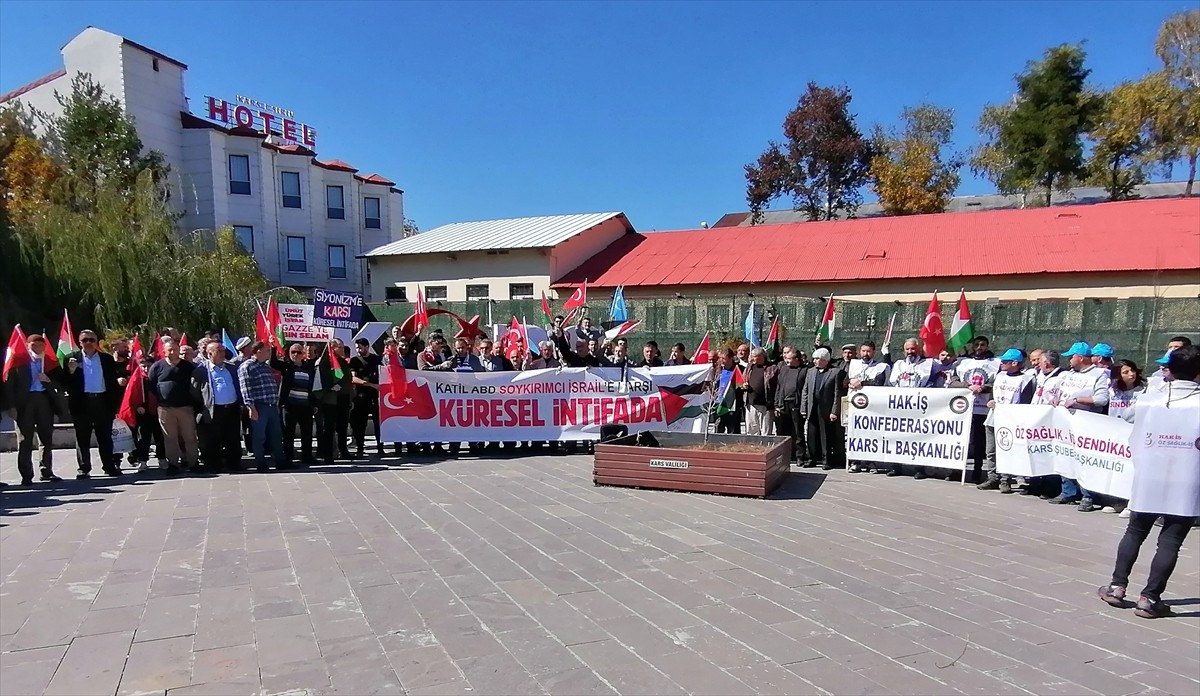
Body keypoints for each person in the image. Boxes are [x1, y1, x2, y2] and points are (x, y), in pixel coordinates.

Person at [1097, 345, 1199, 619]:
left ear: (1170, 369)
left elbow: (1135, 437)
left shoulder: (1149, 399)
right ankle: (1150, 597)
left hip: (1149, 474)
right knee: (1171, 540)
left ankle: (1117, 586)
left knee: (1135, 531)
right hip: (1188, 477)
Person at [1050, 342, 1110, 510]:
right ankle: (1067, 492)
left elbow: (1101, 399)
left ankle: (1088, 496)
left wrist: (1077, 401)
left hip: (1086, 423)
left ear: (1080, 357)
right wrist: (1054, 398)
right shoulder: (1066, 375)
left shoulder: (1098, 374)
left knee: (1085, 460)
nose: (1069, 360)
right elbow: (1054, 391)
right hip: (1064, 421)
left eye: (1071, 356)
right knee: (1064, 454)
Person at [62, 329, 122, 479]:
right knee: (82, 438)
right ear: (79, 342)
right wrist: (70, 370)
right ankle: (84, 468)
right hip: (82, 403)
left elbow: (112, 383)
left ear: (96, 342)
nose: (88, 343)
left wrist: (115, 404)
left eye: (91, 340)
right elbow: (65, 384)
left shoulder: (106, 359)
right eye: (84, 340)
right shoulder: (71, 359)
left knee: (105, 437)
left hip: (102, 401)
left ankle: (109, 466)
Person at [5, 333, 62, 485]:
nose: (38, 348)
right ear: (28, 346)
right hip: (25, 403)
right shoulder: (19, 362)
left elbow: (61, 384)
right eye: (34, 345)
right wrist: (11, 406)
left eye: (41, 345)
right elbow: (10, 386)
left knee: (46, 438)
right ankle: (26, 474)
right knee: (25, 440)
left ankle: (46, 471)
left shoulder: (49, 362)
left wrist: (48, 380)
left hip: (44, 400)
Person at [978, 348, 1036, 494]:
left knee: (1007, 450)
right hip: (993, 417)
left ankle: (1005, 479)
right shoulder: (1000, 375)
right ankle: (993, 478)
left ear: (1015, 363)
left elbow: (1026, 401)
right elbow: (993, 392)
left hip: (1011, 420)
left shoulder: (1026, 379)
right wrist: (991, 400)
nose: (1002, 363)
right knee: (990, 451)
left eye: (1005, 361)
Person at [948, 336, 1000, 483]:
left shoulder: (995, 363)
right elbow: (952, 382)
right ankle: (956, 471)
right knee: (960, 441)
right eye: (976, 344)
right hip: (963, 409)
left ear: (987, 346)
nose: (979, 347)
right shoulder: (962, 362)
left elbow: (997, 382)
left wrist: (983, 387)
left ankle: (978, 471)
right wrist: (967, 386)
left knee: (980, 443)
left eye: (982, 345)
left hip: (983, 409)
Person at [146, 337, 199, 476]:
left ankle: (193, 462)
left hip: (185, 408)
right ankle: (173, 464)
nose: (173, 352)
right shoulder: (157, 367)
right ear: (164, 351)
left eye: (175, 349)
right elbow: (151, 385)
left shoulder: (187, 366)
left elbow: (195, 384)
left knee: (190, 437)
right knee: (170, 438)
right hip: (165, 409)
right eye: (169, 350)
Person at [885, 338, 937, 477]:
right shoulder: (898, 364)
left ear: (919, 349)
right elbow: (891, 384)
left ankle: (920, 468)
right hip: (900, 407)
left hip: (919, 408)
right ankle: (896, 466)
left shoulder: (928, 364)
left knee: (919, 438)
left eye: (913, 349)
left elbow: (932, 382)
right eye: (907, 349)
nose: (910, 352)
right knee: (897, 436)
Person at [193, 341, 243, 473]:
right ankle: (214, 464)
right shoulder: (201, 370)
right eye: (219, 351)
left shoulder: (231, 368)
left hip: (232, 408)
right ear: (209, 354)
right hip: (214, 410)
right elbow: (195, 391)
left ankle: (234, 463)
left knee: (233, 437)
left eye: (223, 351)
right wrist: (203, 407)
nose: (223, 354)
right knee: (213, 438)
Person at [238, 341, 288, 471]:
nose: (269, 353)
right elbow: (246, 389)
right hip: (259, 407)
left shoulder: (266, 367)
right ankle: (260, 463)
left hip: (271, 405)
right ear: (258, 351)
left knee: (276, 435)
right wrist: (251, 407)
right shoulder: (247, 366)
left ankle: (280, 461)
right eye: (267, 350)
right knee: (259, 436)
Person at [845, 341, 890, 474]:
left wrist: (862, 383)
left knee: (872, 434)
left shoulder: (881, 367)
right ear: (859, 351)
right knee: (853, 434)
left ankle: (872, 462)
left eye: (868, 351)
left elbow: (879, 382)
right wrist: (849, 382)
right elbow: (842, 380)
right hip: (854, 404)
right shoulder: (852, 363)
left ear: (874, 352)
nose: (866, 354)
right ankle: (855, 462)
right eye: (863, 351)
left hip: (872, 407)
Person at [800, 347, 845, 469]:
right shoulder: (810, 371)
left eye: (817, 359)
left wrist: (834, 411)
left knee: (826, 435)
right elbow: (806, 390)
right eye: (814, 359)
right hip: (812, 407)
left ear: (825, 360)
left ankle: (826, 460)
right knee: (811, 434)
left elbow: (837, 393)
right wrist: (804, 408)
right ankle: (812, 458)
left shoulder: (835, 372)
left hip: (826, 409)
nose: (814, 361)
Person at [316, 338, 353, 465]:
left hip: (343, 398)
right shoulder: (324, 362)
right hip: (330, 400)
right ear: (333, 348)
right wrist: (330, 386)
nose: (343, 350)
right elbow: (321, 378)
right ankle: (328, 454)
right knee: (329, 428)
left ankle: (344, 450)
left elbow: (348, 380)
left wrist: (349, 397)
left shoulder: (343, 362)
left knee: (342, 427)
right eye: (340, 347)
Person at [126, 355, 164, 474]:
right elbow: (131, 396)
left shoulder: (157, 378)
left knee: (160, 437)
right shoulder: (138, 379)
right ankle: (143, 461)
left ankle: (162, 458)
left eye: (149, 366)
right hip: (144, 414)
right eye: (144, 366)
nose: (147, 368)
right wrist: (138, 407)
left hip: (158, 412)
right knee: (143, 438)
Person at [773, 347, 808, 464]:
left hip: (796, 405)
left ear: (797, 359)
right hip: (783, 405)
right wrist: (777, 404)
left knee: (798, 432)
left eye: (789, 359)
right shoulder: (783, 369)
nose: (786, 361)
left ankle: (800, 456)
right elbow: (778, 387)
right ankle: (785, 455)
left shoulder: (804, 370)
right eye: (786, 358)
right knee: (783, 432)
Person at [349, 338, 382, 458]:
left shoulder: (376, 359)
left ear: (367, 347)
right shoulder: (354, 361)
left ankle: (380, 447)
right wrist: (371, 385)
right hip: (361, 396)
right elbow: (353, 378)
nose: (358, 350)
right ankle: (360, 448)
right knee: (360, 425)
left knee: (378, 423)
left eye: (360, 347)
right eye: (357, 347)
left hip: (375, 397)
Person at [713, 348, 744, 434]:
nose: (721, 361)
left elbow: (741, 385)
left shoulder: (738, 370)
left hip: (732, 405)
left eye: (724, 358)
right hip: (719, 404)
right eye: (720, 358)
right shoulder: (718, 370)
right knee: (719, 428)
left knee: (733, 429)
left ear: (731, 358)